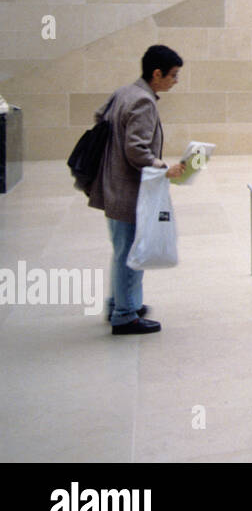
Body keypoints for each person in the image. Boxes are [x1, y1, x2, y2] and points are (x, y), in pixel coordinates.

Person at [88, 45, 185, 335]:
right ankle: (125, 315)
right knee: (131, 253)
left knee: (122, 250)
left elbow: (99, 118)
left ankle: (121, 302)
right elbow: (136, 150)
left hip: (114, 184)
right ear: (157, 74)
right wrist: (162, 166)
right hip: (128, 190)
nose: (175, 81)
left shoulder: (125, 92)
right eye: (173, 75)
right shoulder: (143, 101)